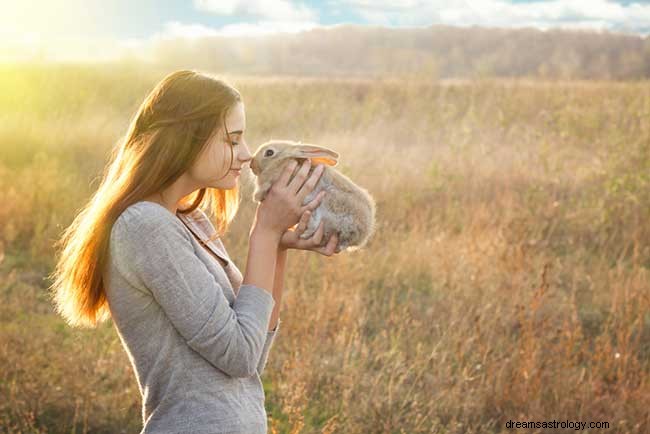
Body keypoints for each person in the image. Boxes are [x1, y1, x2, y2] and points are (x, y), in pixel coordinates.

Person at [49, 69, 340, 433]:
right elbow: (239, 355)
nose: (247, 155)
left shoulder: (190, 221)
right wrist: (264, 232)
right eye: (232, 140)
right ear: (185, 139)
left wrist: (277, 244)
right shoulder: (145, 227)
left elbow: (254, 351)